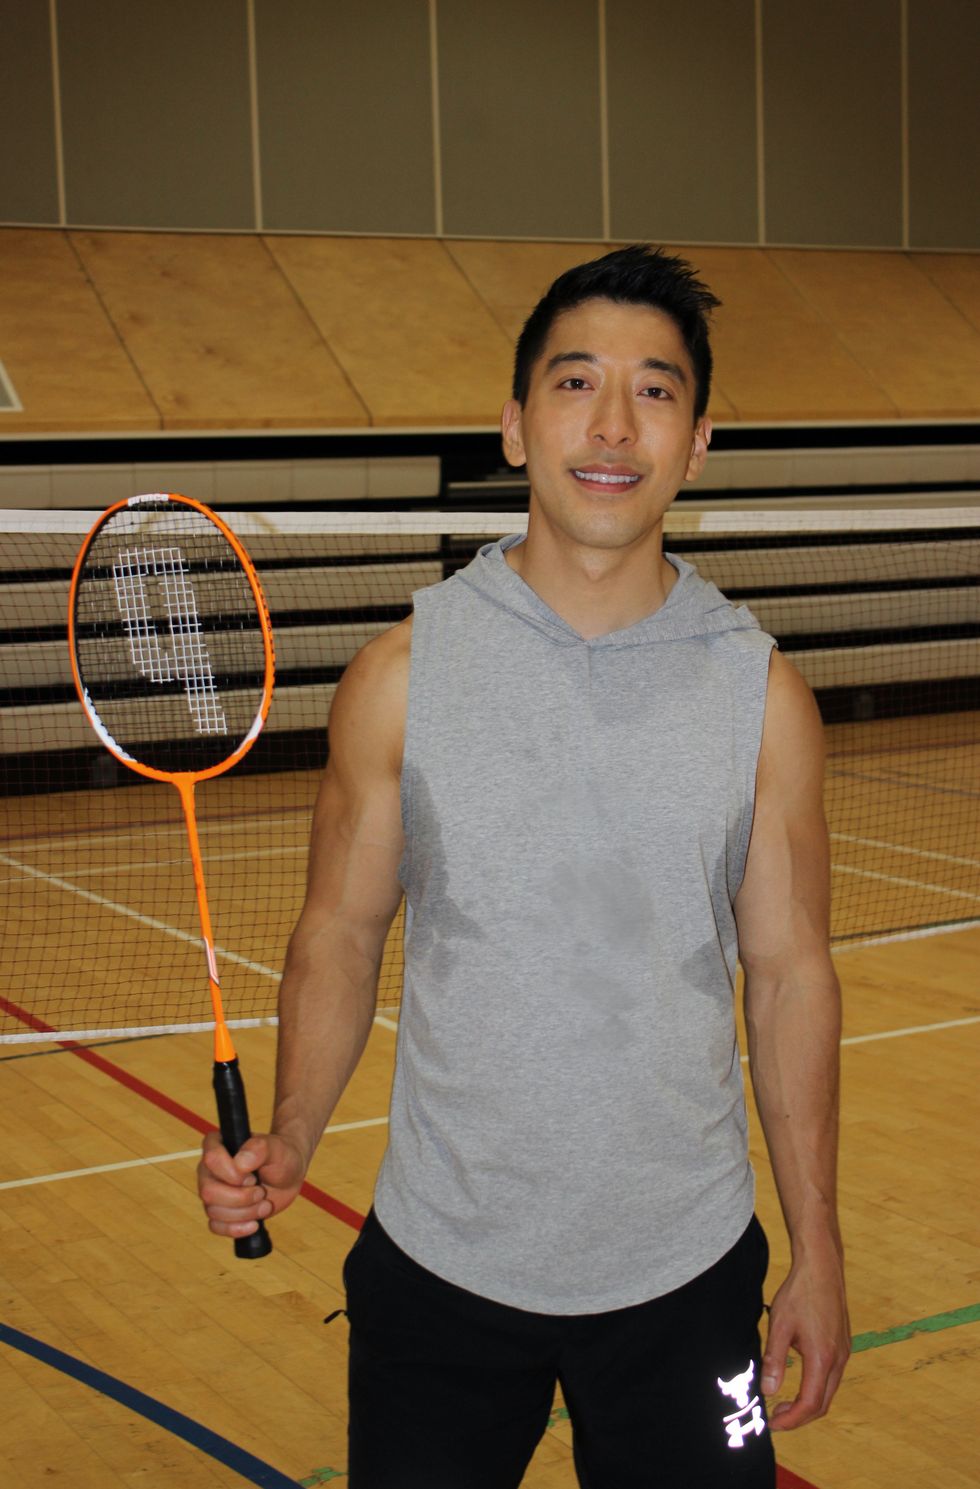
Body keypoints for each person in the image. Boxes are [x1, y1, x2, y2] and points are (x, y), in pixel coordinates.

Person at [198, 245, 850, 1487]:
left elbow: (788, 975)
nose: (612, 425)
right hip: (442, 1268)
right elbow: (338, 928)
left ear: (698, 440)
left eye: (654, 391)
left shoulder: (759, 695)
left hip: (687, 1276)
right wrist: (288, 1128)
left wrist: (814, 1244)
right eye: (574, 383)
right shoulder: (402, 676)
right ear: (513, 425)